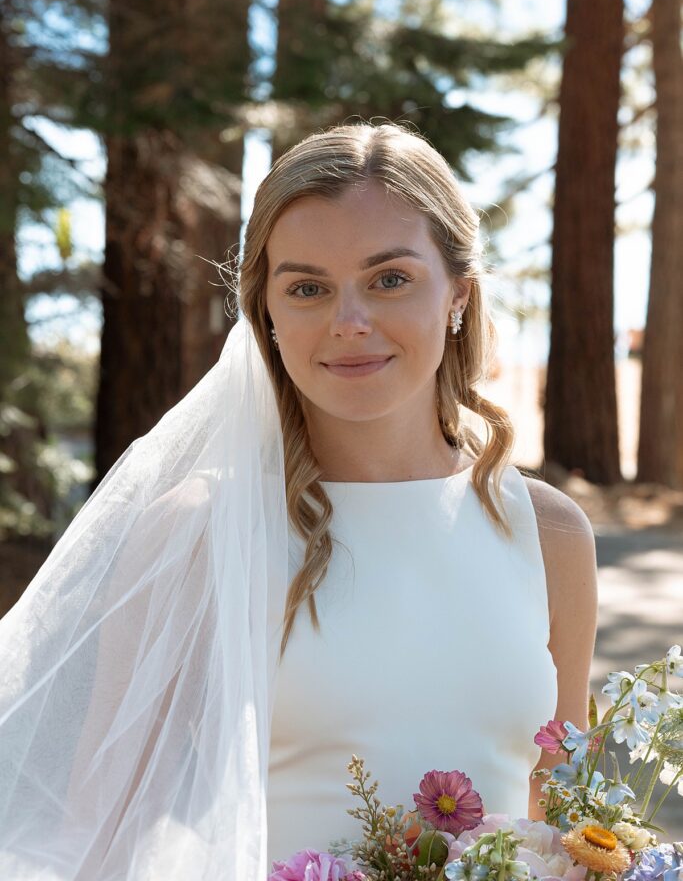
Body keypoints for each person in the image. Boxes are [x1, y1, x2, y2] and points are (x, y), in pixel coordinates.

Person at [0, 121, 598, 881]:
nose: (349, 322)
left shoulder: (549, 534)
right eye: (308, 288)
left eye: (389, 279)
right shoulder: (197, 531)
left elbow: (574, 818)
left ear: (457, 297)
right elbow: (100, 829)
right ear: (267, 316)